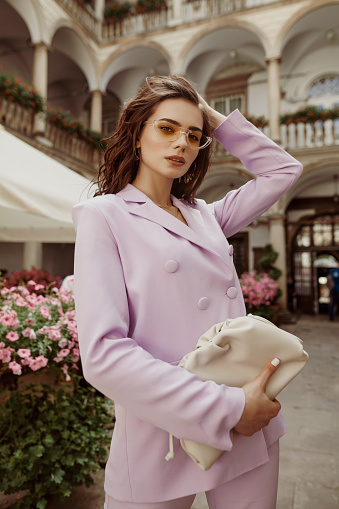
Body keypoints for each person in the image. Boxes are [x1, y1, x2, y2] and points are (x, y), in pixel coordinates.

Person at [72, 75, 303, 509]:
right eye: (166, 128)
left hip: (249, 426)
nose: (181, 142)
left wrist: (214, 121)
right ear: (136, 132)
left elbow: (284, 170)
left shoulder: (205, 216)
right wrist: (227, 407)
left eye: (192, 136)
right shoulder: (103, 216)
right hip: (164, 430)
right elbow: (102, 353)